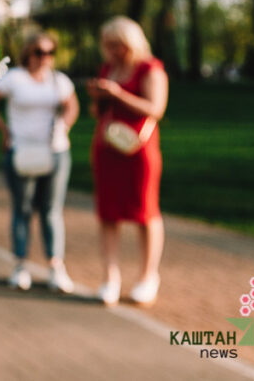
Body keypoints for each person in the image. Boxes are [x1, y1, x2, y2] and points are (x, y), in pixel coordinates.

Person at [0, 32, 79, 293]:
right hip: (20, 151)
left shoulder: (59, 80)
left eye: (49, 53)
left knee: (50, 210)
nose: (44, 58)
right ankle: (20, 265)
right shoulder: (14, 78)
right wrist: (5, 130)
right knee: (22, 209)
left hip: (55, 151)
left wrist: (63, 126)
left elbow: (71, 106)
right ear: (28, 53)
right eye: (38, 52)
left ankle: (56, 266)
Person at [87, 17, 169, 307]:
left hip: (138, 149)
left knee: (145, 211)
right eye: (108, 45)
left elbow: (156, 108)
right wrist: (98, 97)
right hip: (109, 146)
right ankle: (110, 277)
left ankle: (148, 276)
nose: (112, 51)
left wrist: (118, 93)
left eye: (117, 45)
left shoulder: (150, 68)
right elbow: (99, 112)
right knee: (108, 212)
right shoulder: (108, 69)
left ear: (130, 42)